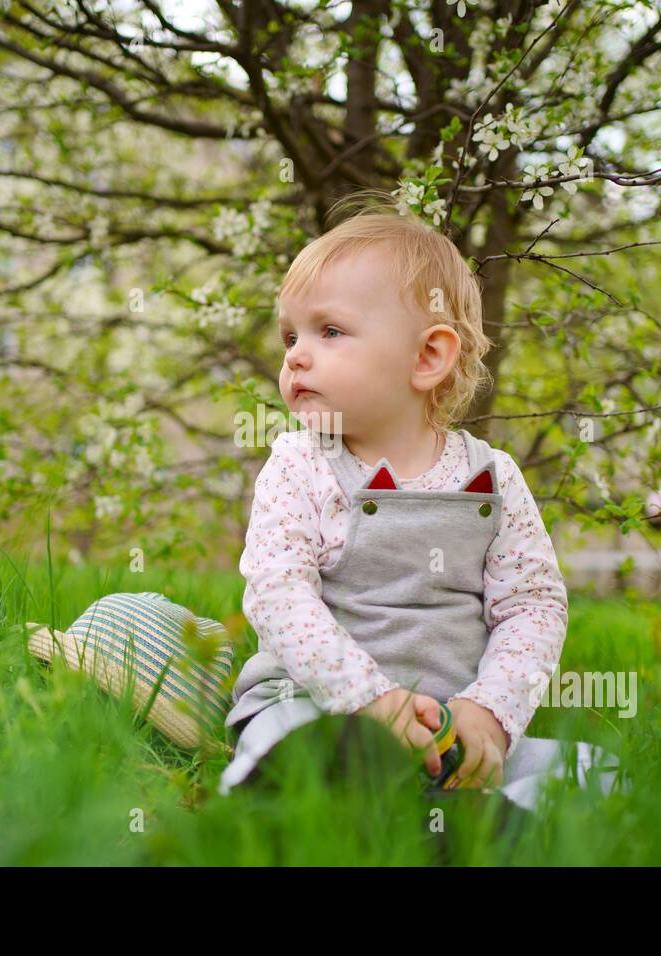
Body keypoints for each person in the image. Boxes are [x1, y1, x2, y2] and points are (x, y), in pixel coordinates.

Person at [214, 192, 623, 809]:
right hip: (317, 705)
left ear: (428, 356)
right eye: (289, 335)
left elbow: (533, 607)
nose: (295, 354)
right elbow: (277, 593)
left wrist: (490, 711)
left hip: (447, 726)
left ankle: (481, 820)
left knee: (600, 772)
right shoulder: (300, 465)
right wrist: (367, 701)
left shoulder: (494, 478)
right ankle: (271, 809)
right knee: (285, 741)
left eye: (328, 331)